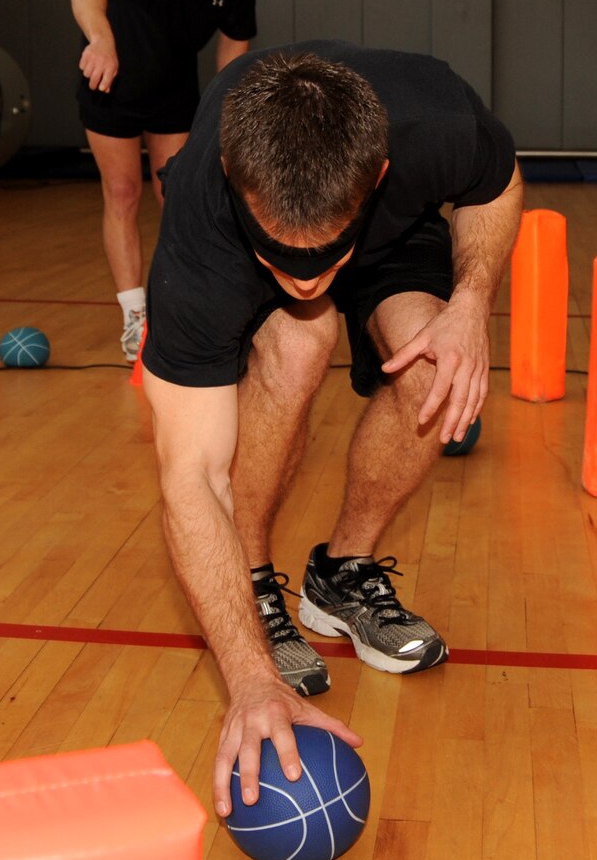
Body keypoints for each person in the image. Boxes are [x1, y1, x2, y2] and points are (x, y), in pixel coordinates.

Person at [140, 42, 521, 816]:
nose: (308, 275)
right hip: (253, 244)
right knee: (300, 337)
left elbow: (500, 183)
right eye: (282, 253)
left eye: (322, 254)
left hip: (390, 231)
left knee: (432, 372)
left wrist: (472, 302)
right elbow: (191, 476)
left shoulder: (434, 118)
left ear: (377, 174)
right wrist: (249, 679)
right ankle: (253, 583)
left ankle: (340, 576)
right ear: (231, 181)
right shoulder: (203, 234)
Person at [71, 0, 258, 361]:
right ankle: (136, 319)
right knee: (124, 192)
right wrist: (101, 39)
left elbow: (234, 44)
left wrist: (225, 113)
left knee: (180, 196)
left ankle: (183, 309)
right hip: (110, 80)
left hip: (176, 88)